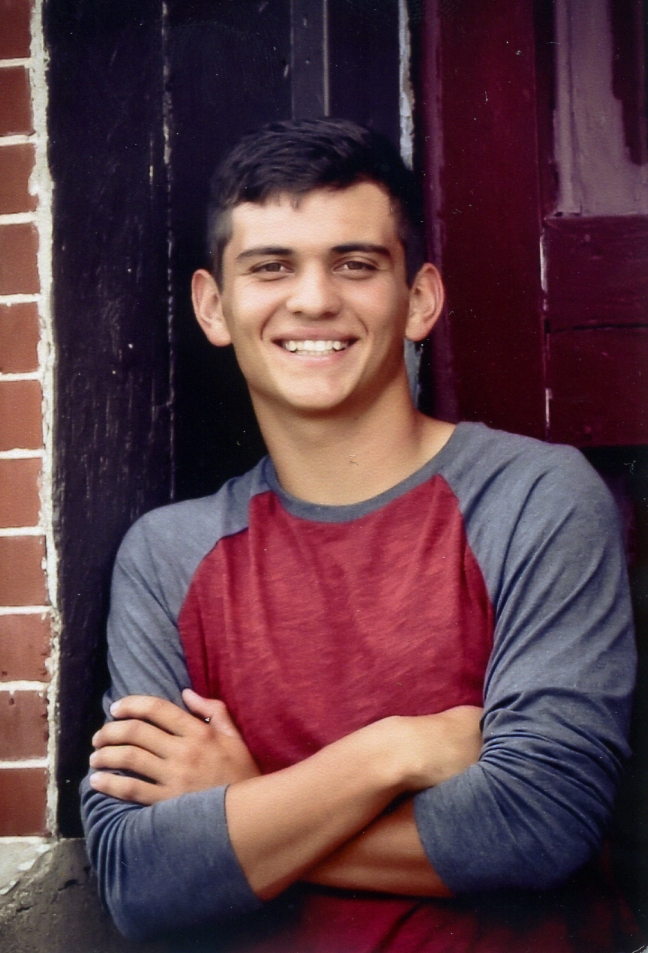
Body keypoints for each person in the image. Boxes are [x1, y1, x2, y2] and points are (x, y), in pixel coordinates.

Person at [82, 118, 641, 952]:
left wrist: (247, 805)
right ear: (213, 306)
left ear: (419, 300)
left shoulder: (533, 497)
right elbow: (138, 876)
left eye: (355, 263)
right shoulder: (167, 555)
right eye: (271, 266)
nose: (313, 299)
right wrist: (393, 751)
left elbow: (540, 818)